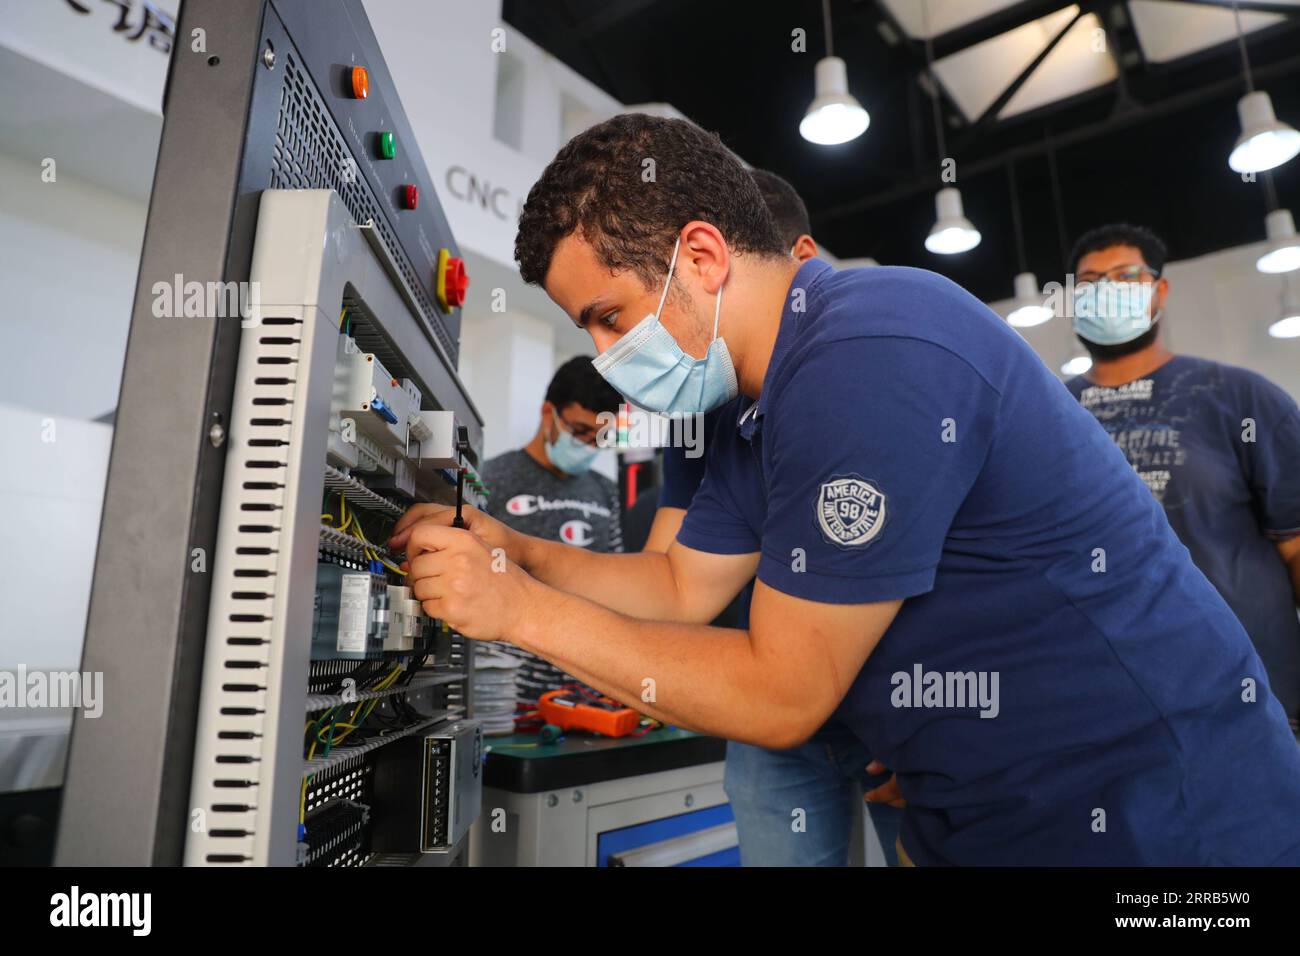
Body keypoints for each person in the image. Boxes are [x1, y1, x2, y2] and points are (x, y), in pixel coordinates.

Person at [392, 114, 1300, 865]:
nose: (604, 355)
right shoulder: (755, 401)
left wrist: (514, 612)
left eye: (610, 317)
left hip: (1162, 816)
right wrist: (511, 552)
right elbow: (679, 587)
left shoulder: (870, 350)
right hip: (987, 808)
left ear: (702, 256)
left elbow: (782, 696)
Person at [643, 166, 901, 866]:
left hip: (892, 704)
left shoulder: (871, 366)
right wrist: (524, 572)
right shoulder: (704, 409)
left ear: (801, 263)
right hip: (764, 715)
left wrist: (938, 727)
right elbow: (675, 583)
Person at [1064, 223, 1300, 734]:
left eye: (1126, 275)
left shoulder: (1240, 398)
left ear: (1159, 290)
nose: (1107, 291)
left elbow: (1295, 545)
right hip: (1107, 713)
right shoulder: (1044, 416)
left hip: (1252, 703)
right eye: (1089, 281)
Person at [478, 356, 624, 707]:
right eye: (578, 432)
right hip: (505, 692)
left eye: (600, 437)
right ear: (548, 413)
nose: (588, 445)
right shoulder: (490, 479)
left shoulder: (606, 491)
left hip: (586, 690)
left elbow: (619, 582)